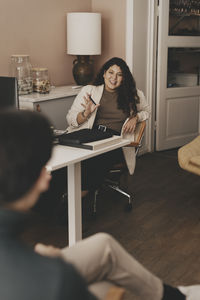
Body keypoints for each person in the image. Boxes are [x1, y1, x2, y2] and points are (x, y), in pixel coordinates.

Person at [0, 109, 199, 300]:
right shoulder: (57, 279)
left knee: (103, 245)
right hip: (38, 274)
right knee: (104, 284)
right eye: (43, 167)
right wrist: (46, 263)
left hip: (29, 263)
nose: (47, 177)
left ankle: (174, 296)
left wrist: (34, 253)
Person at [66, 57, 150, 195]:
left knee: (93, 161)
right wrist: (85, 113)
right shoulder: (89, 91)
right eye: (111, 72)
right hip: (90, 135)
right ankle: (68, 196)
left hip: (115, 142)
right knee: (68, 161)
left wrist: (136, 117)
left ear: (124, 78)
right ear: (104, 73)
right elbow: (71, 119)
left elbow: (147, 112)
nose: (114, 78)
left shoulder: (134, 95)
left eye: (119, 74)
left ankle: (80, 195)